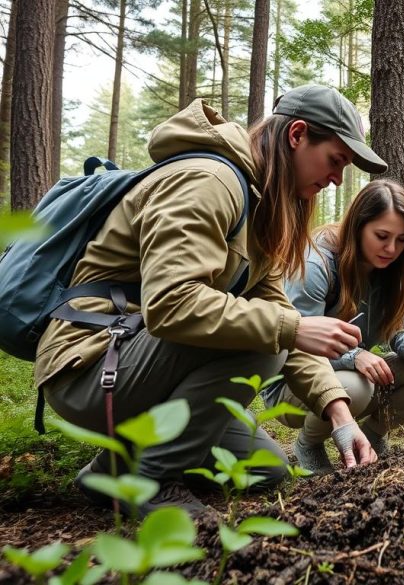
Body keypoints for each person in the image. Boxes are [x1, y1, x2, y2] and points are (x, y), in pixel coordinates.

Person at [35, 84, 385, 515]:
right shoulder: (209, 180)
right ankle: (150, 482)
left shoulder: (258, 210)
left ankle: (111, 469)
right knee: (267, 338)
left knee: (265, 469)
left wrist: (340, 416)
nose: (336, 178)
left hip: (137, 362)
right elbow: (172, 303)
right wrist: (290, 329)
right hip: (90, 366)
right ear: (297, 135)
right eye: (336, 160)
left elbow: (281, 314)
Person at [263, 180, 404, 474]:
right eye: (382, 236)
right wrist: (355, 356)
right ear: (357, 226)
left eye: (402, 240)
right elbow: (295, 345)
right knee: (356, 386)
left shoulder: (396, 272)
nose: (391, 249)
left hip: (349, 375)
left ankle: (374, 435)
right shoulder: (318, 264)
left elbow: (400, 334)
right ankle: (308, 444)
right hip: (292, 385)